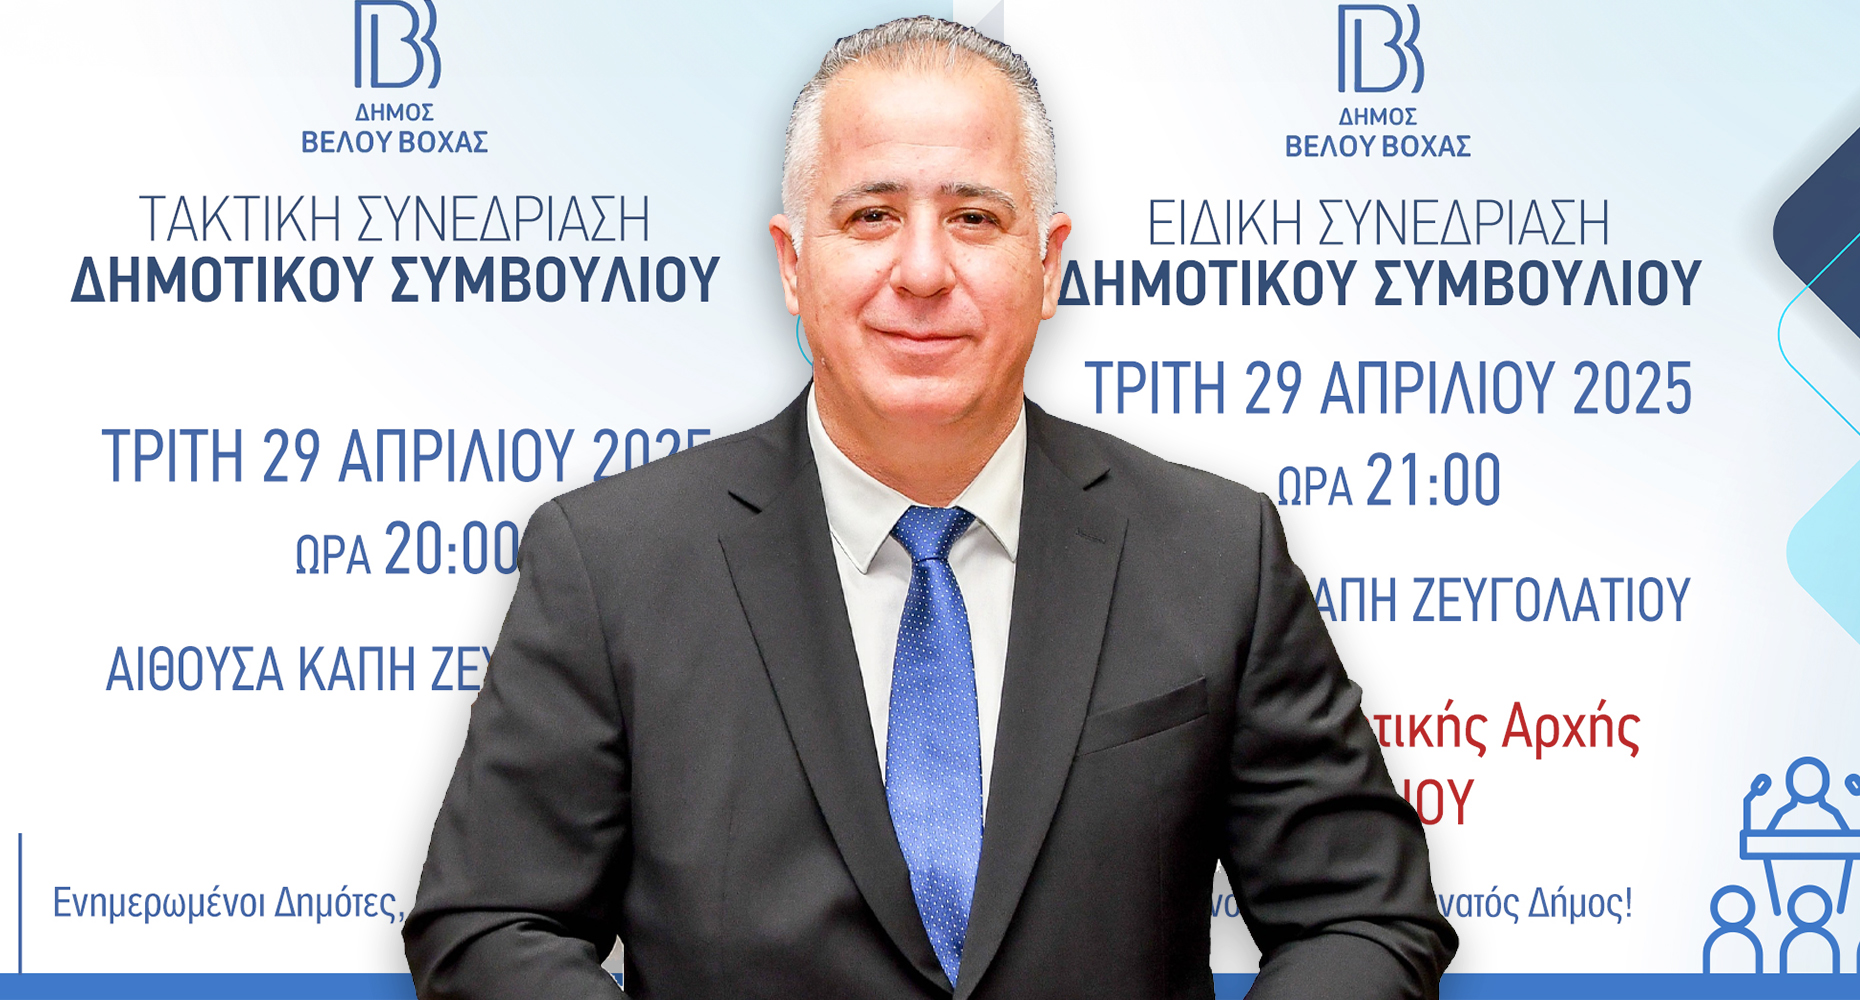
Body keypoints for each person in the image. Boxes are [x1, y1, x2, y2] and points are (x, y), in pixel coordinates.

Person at [404, 17, 1454, 999]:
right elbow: (490, 921)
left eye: (973, 217)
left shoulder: (1217, 554)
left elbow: (1363, 917)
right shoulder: (610, 564)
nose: (920, 269)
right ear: (793, 264)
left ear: (1047, 265)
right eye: (871, 215)